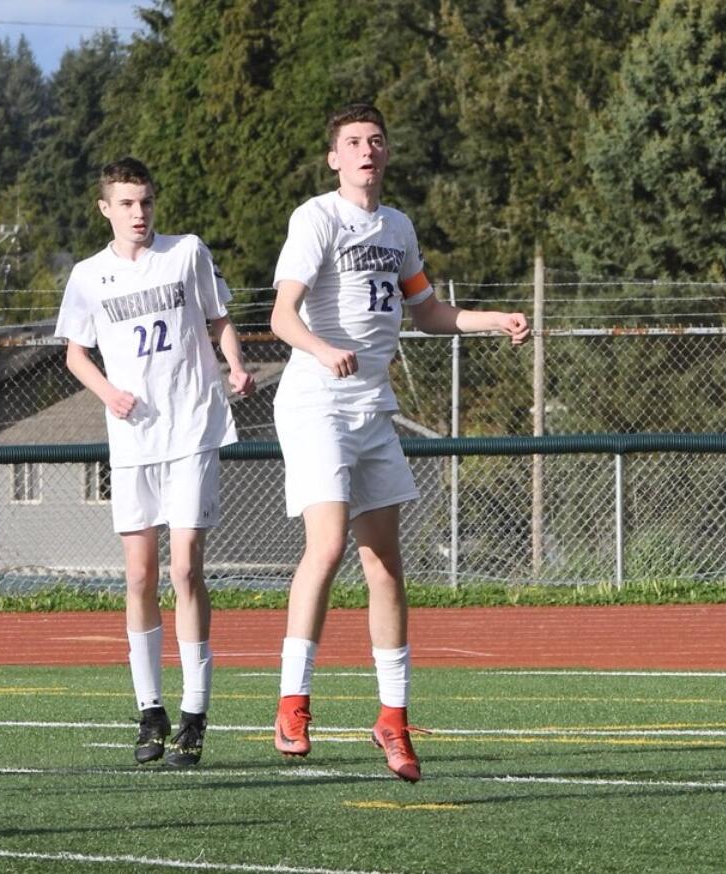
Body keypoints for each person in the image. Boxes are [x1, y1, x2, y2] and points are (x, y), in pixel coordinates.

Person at [269, 104, 528, 782]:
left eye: (376, 141)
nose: (366, 150)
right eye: (352, 142)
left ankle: (393, 719)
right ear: (334, 157)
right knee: (326, 546)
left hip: (371, 408)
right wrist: (326, 351)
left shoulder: (398, 226)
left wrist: (490, 320)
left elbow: (427, 312)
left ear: (387, 154)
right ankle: (293, 701)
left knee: (384, 564)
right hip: (315, 401)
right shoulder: (316, 218)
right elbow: (280, 316)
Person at [56, 157, 256, 767]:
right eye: (126, 203)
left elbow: (219, 319)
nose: (138, 213)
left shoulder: (187, 252)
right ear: (105, 209)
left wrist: (236, 364)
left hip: (192, 424)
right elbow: (75, 353)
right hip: (134, 437)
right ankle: (150, 711)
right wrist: (108, 392)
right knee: (140, 574)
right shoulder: (89, 275)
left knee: (185, 568)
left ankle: (195, 715)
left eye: (145, 201)